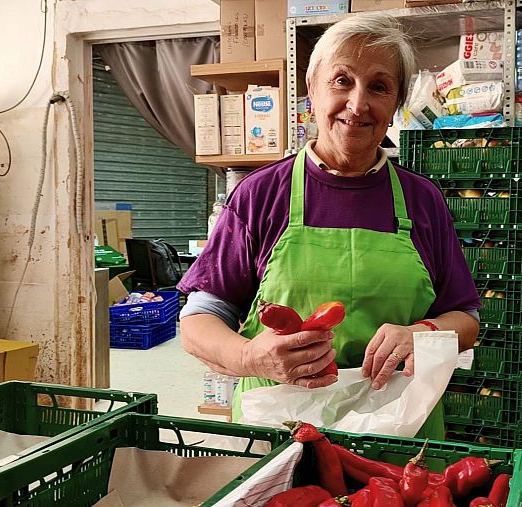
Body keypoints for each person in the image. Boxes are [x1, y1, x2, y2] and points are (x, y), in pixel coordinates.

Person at [177, 13, 481, 440]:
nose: (358, 105)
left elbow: (465, 318)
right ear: (311, 90)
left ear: (395, 105)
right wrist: (250, 357)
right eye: (342, 80)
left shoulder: (422, 199)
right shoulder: (261, 194)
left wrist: (424, 333)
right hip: (281, 425)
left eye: (379, 86)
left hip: (397, 429)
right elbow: (199, 319)